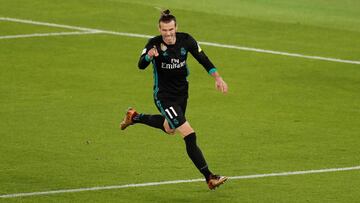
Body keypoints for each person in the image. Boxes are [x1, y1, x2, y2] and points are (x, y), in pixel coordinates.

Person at [120, 9, 228, 190]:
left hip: (182, 94)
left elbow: (203, 58)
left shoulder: (187, 40)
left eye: (171, 30)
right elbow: (140, 64)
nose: (168, 34)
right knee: (189, 134)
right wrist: (148, 56)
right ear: (159, 29)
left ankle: (134, 117)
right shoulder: (153, 44)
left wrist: (217, 77)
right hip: (164, 96)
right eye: (164, 31)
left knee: (169, 128)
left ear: (176, 27)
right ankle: (209, 177)